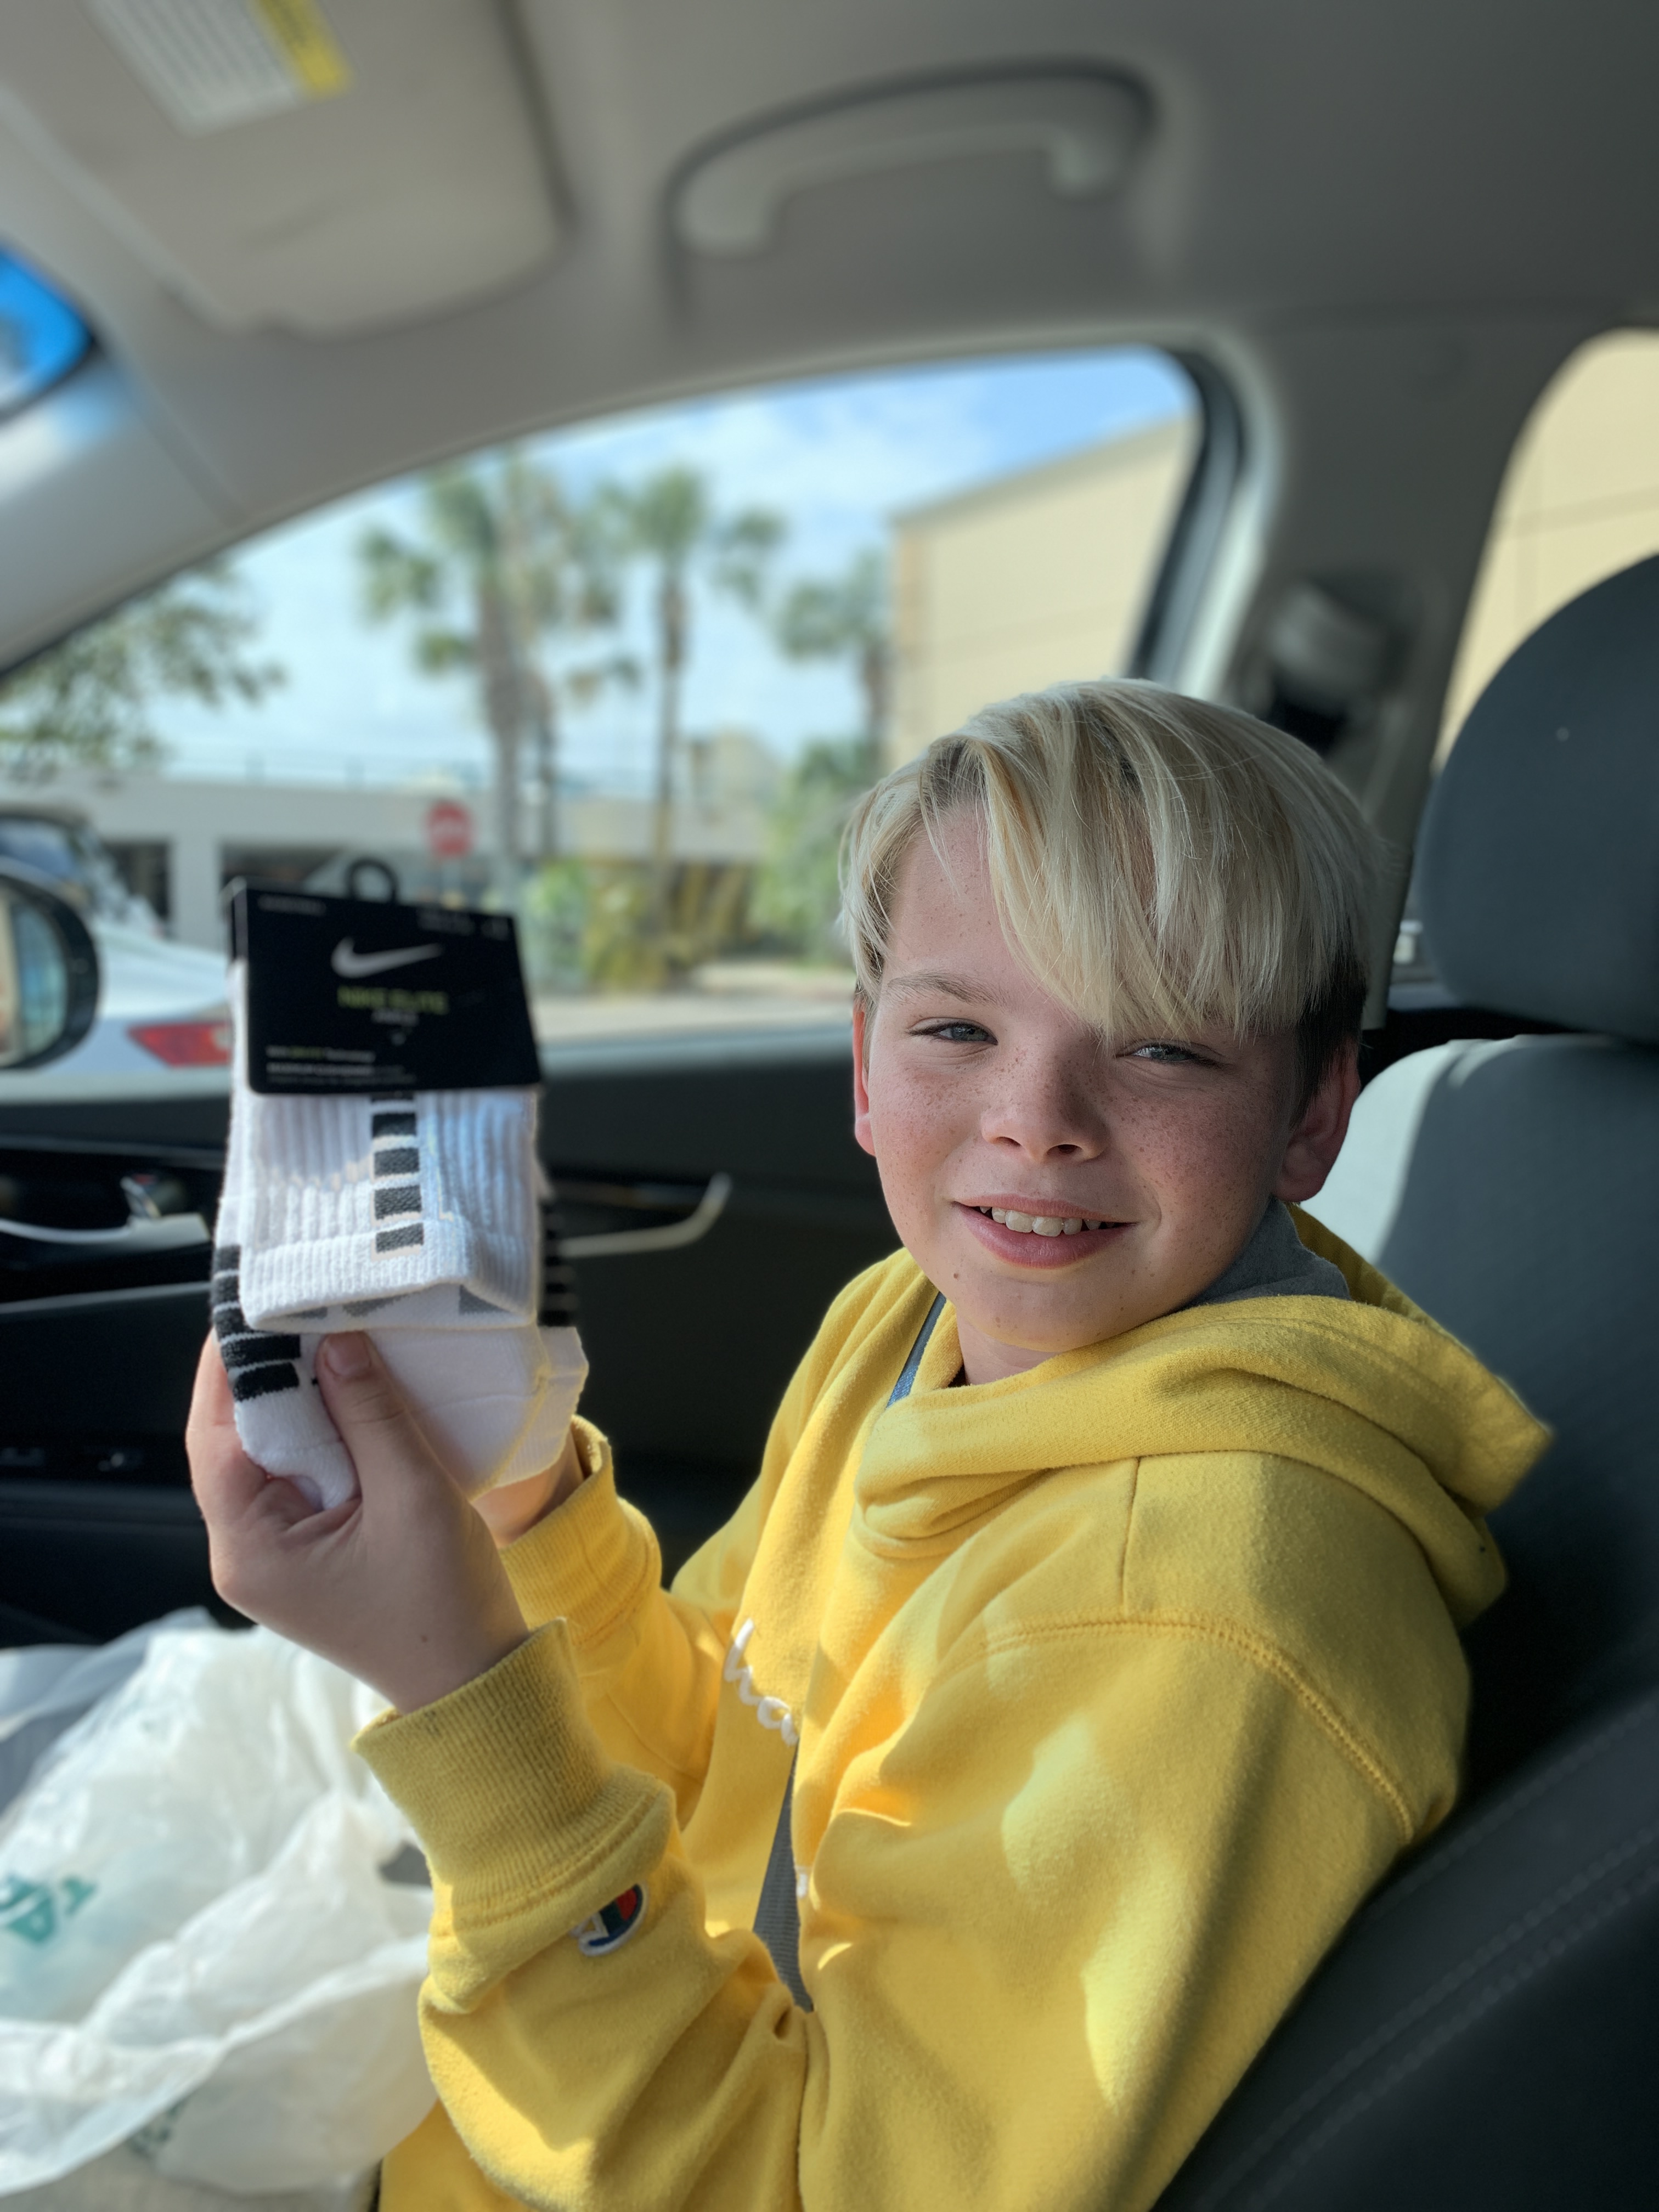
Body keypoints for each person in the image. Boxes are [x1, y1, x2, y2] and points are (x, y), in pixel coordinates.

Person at [188, 680, 1547, 2212]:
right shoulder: (909, 1316)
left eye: (1163, 1048)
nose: (1035, 1120)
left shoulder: (1197, 1609)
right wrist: (523, 1509)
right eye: (958, 1028)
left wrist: (459, 1693)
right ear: (861, 1066)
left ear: (1311, 1116)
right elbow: (730, 1739)